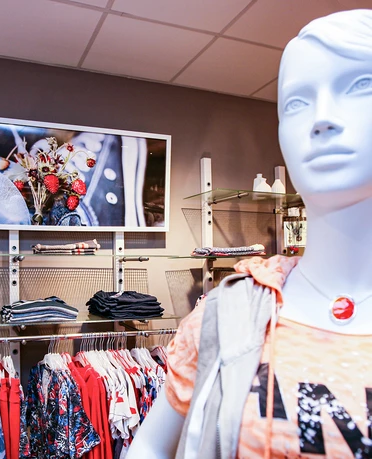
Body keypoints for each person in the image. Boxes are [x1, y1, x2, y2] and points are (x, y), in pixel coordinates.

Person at [128, 9, 372, 458]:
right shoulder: (225, 314)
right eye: (296, 102)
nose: (321, 119)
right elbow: (149, 447)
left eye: (361, 85)